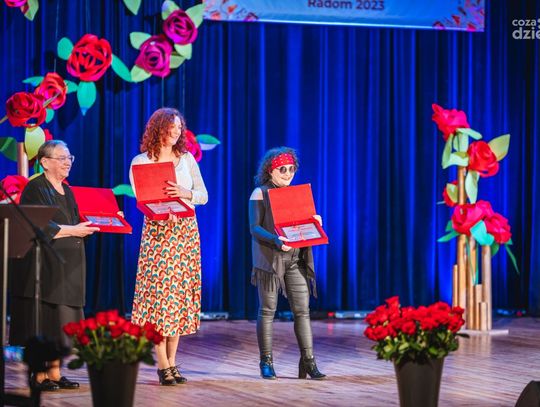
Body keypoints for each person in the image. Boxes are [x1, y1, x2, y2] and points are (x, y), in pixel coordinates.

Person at [9, 140, 100, 391]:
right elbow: (37, 224)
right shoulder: (35, 188)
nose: (68, 162)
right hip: (45, 266)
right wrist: (74, 230)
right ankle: (39, 376)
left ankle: (56, 373)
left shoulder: (67, 191)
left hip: (68, 266)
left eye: (70, 157)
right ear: (45, 162)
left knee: (62, 322)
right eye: (62, 158)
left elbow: (77, 221)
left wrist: (104, 221)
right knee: (45, 319)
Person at [129, 107, 208, 386]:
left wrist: (184, 194)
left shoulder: (186, 159)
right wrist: (162, 210)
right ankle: (162, 364)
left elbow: (203, 195)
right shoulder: (141, 161)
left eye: (179, 128)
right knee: (159, 299)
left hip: (185, 232)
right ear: (158, 128)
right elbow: (141, 198)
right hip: (158, 234)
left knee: (178, 298)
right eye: (170, 127)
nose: (175, 132)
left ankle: (172, 362)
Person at [249, 146, 326, 380]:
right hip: (270, 260)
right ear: (270, 170)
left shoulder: (295, 195)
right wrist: (275, 240)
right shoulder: (260, 193)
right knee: (267, 311)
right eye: (283, 169)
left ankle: (308, 362)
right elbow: (255, 228)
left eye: (292, 169)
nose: (288, 173)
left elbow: (301, 228)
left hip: (295, 260)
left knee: (302, 311)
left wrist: (314, 223)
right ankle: (266, 362)